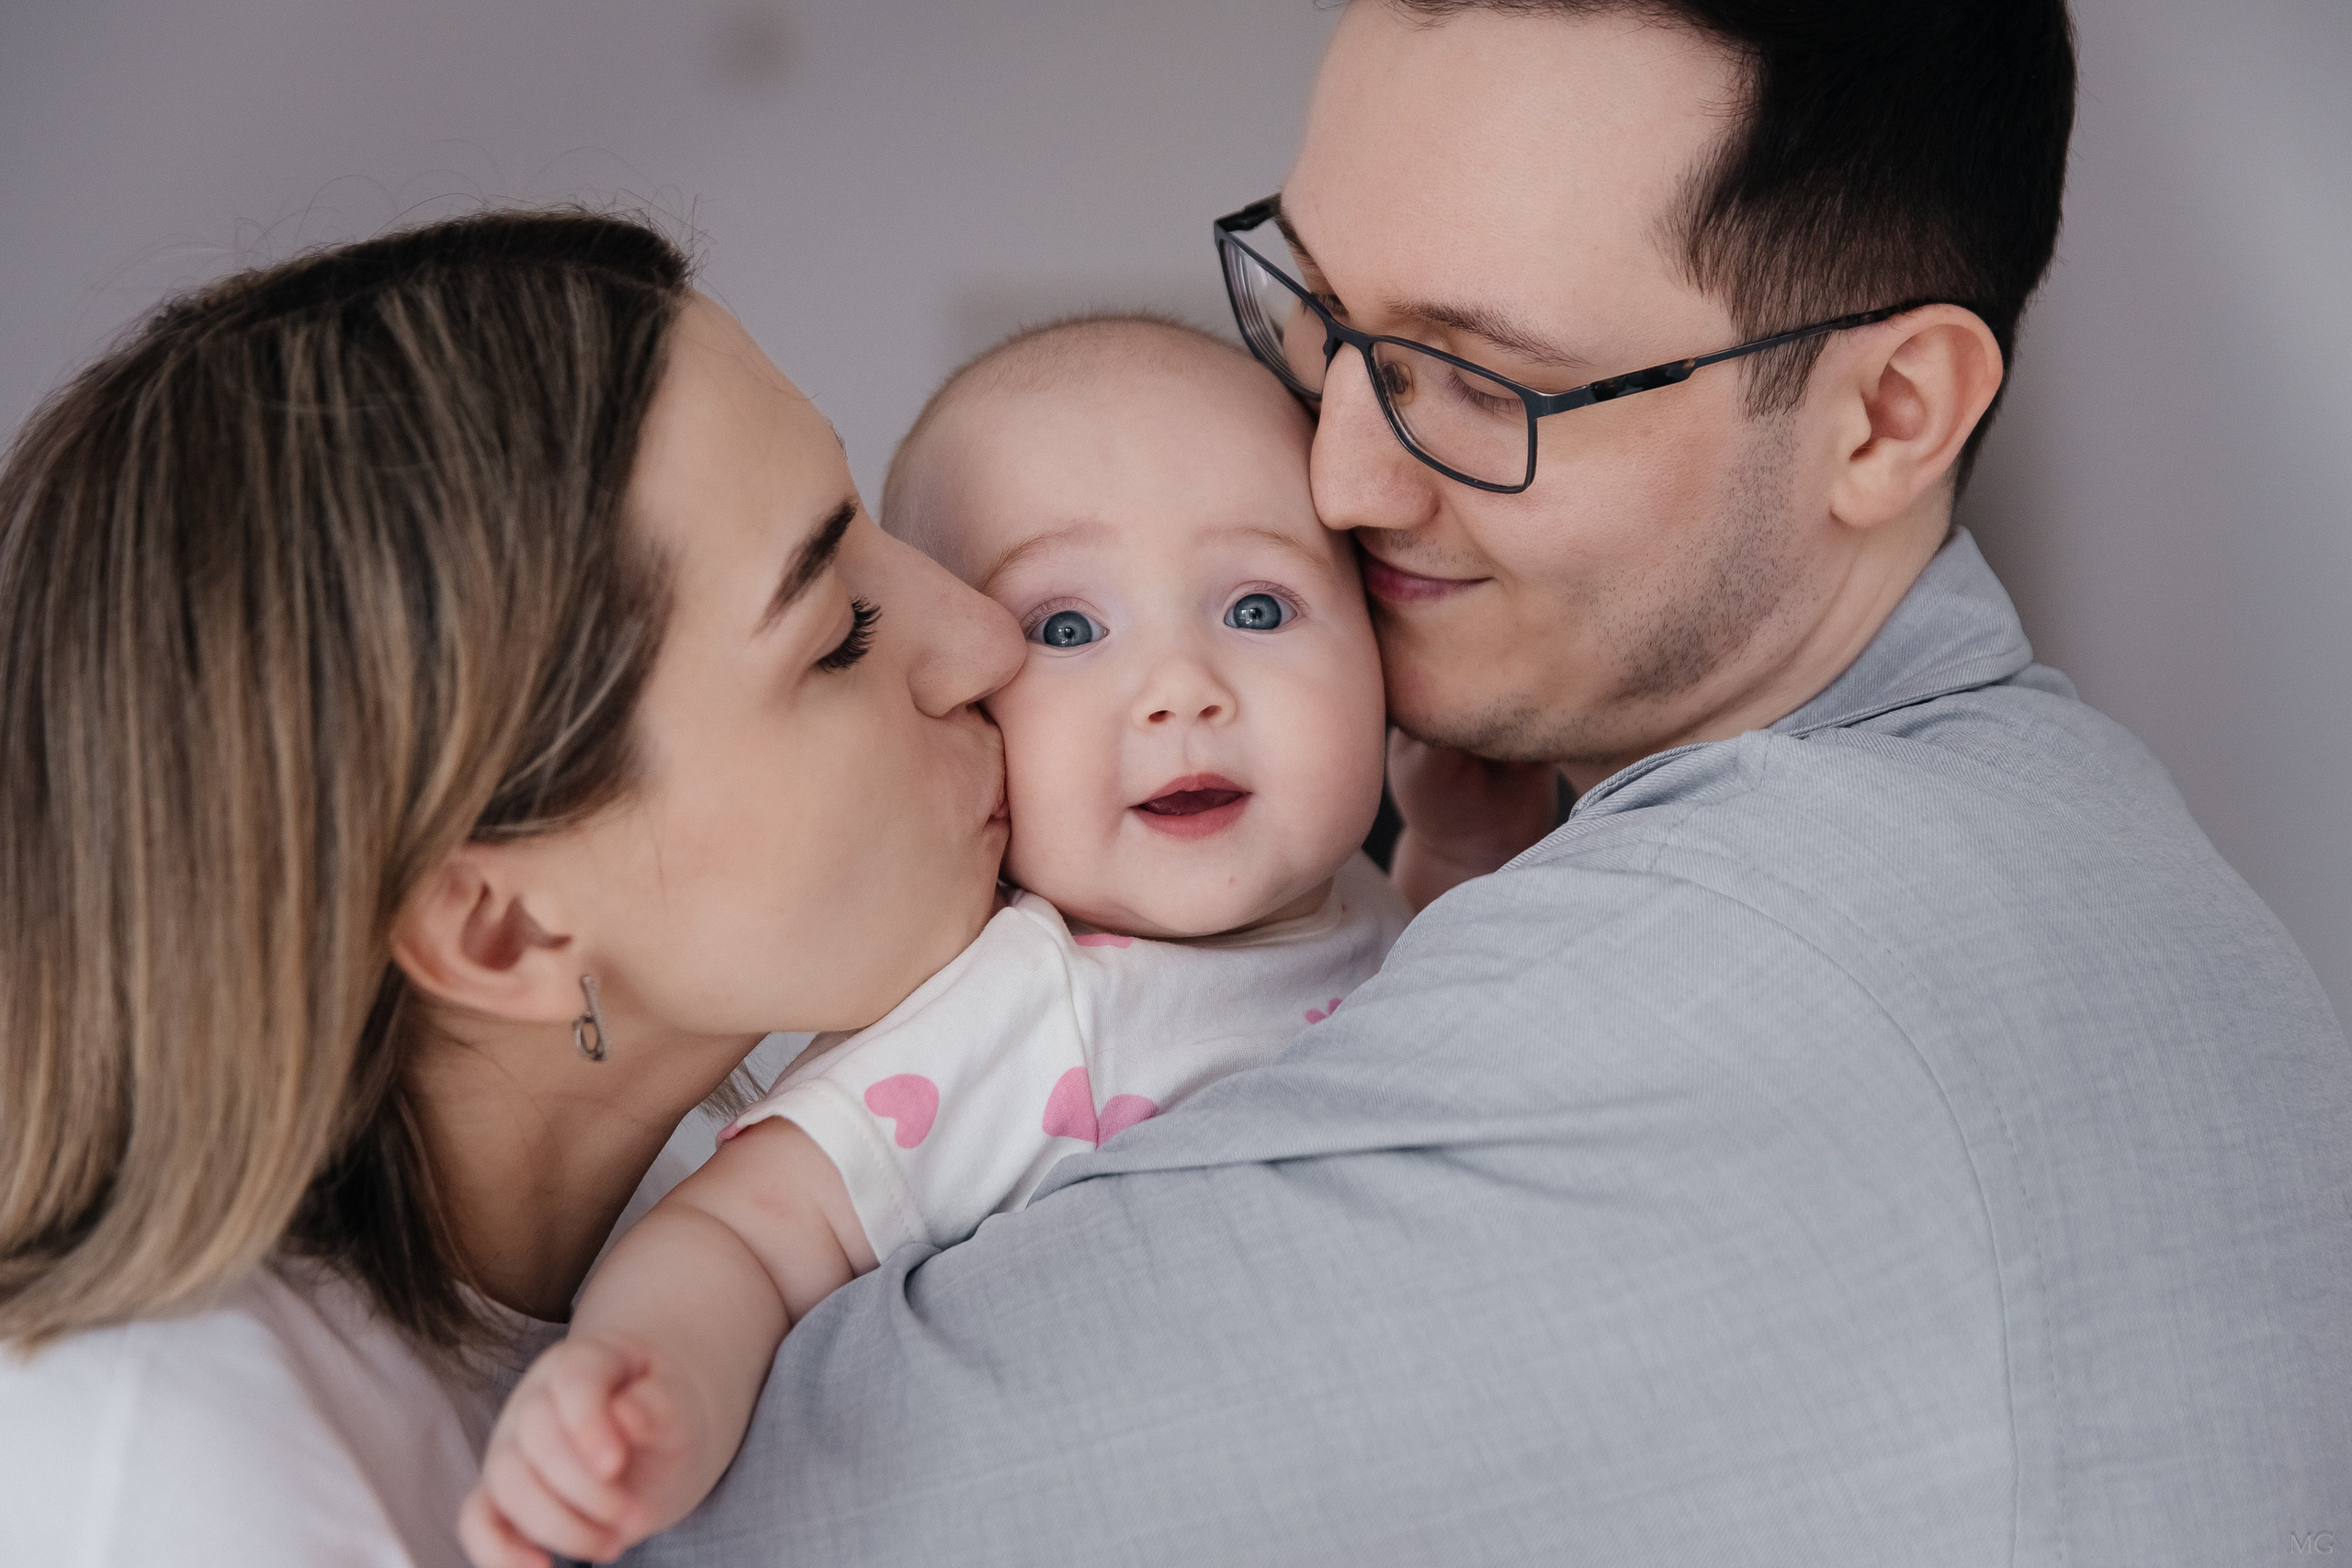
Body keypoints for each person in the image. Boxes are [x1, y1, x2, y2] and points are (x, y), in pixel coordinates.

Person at [635, 3, 2352, 1564]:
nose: (1337, 468)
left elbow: (741, 1524)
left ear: (1889, 415)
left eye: (1483, 380)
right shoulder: (2090, 862)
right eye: (1310, 310)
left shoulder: (1721, 979)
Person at [0, 210, 1024, 1567]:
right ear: (502, 927)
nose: (988, 638)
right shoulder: (153, 1471)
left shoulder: (765, 1227)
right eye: (838, 632)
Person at [461, 316, 1410, 1566]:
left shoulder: (1367, 895)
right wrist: (646, 1385)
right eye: (1068, 629)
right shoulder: (1016, 1004)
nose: (1183, 685)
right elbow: (741, 1237)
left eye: (1257, 604)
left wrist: (1452, 855)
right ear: (974, 689)